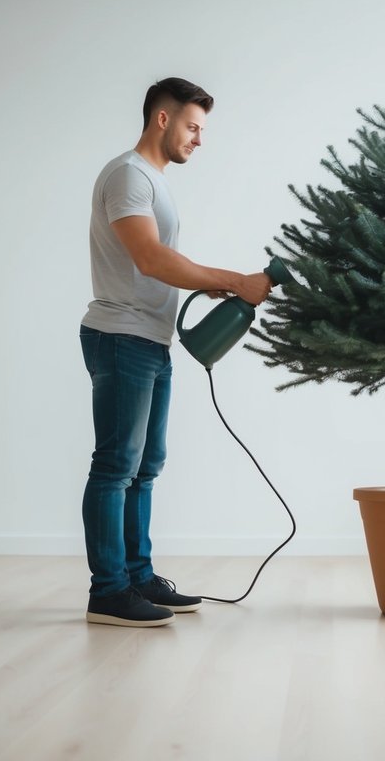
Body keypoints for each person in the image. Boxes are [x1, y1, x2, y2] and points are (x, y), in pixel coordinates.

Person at [79, 78, 272, 627]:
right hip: (120, 335)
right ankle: (109, 591)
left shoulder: (153, 183)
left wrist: (208, 284)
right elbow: (149, 259)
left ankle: (138, 578)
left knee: (144, 468)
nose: (199, 139)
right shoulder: (128, 176)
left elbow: (163, 261)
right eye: (193, 127)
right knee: (116, 466)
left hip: (149, 337)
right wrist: (234, 280)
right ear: (162, 119)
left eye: (202, 130)